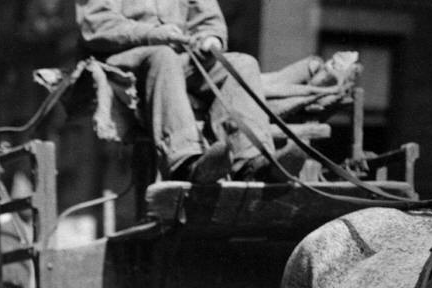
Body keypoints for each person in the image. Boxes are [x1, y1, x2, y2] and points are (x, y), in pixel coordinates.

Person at [76, 0, 292, 182]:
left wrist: (209, 39)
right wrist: (151, 34)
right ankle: (186, 163)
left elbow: (209, 21)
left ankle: (252, 163)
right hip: (124, 59)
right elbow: (96, 26)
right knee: (163, 56)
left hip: (179, 58)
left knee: (243, 64)